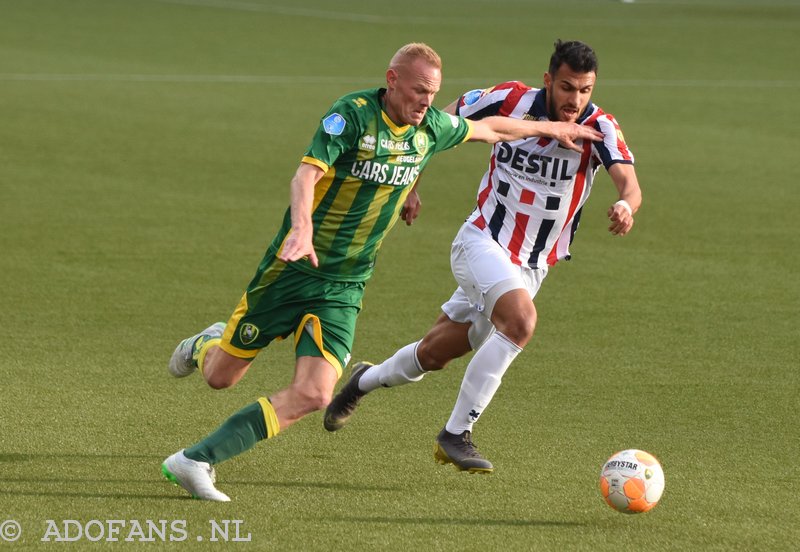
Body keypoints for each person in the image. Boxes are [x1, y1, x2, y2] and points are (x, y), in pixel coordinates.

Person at [161, 42, 603, 501]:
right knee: (220, 376)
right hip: (294, 268)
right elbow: (305, 175)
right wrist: (302, 228)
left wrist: (551, 125)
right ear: (392, 81)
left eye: (433, 93)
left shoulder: (430, 127)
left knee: (314, 394)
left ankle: (196, 459)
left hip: (346, 284)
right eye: (418, 91)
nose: (426, 102)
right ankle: (205, 344)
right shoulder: (351, 116)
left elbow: (490, 128)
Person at [324, 39, 642, 474]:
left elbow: (630, 182)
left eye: (585, 90)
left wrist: (626, 204)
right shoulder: (509, 99)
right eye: (567, 88)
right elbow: (437, 123)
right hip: (481, 241)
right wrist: (411, 180)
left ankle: (362, 380)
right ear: (549, 80)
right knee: (521, 322)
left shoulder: (600, 126)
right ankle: (456, 434)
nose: (575, 100)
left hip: (532, 266)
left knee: (434, 354)